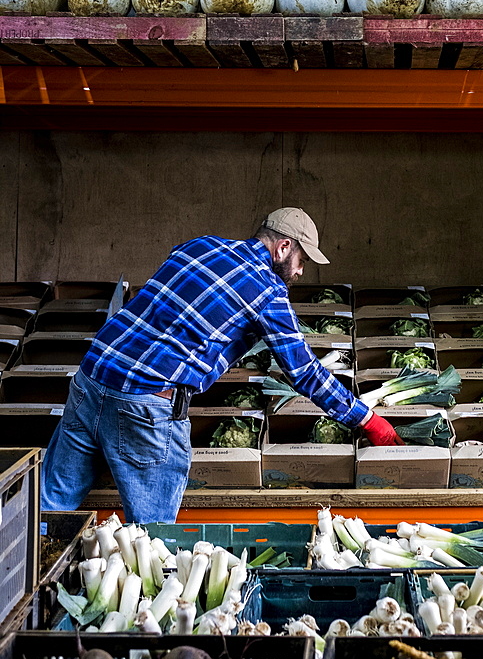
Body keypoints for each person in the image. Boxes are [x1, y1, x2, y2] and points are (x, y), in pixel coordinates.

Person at [41, 207, 403, 522]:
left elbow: (176, 312)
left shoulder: (201, 245)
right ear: (283, 247)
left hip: (90, 378)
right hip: (144, 403)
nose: (301, 272)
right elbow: (304, 371)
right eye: (302, 261)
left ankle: (20, 582)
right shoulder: (267, 291)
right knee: (150, 537)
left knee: (49, 507)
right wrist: (367, 419)